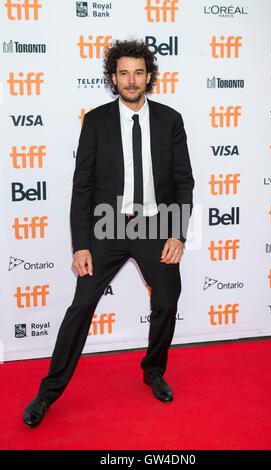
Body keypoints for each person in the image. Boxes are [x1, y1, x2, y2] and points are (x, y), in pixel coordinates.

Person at [23, 39, 195, 428]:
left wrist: (178, 234)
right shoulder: (97, 120)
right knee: (81, 307)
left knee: (166, 301)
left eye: (138, 72)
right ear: (112, 78)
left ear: (149, 76)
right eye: (123, 73)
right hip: (107, 224)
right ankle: (48, 392)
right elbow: (81, 186)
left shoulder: (170, 119)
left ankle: (153, 370)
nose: (131, 80)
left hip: (157, 223)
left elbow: (184, 181)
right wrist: (81, 244)